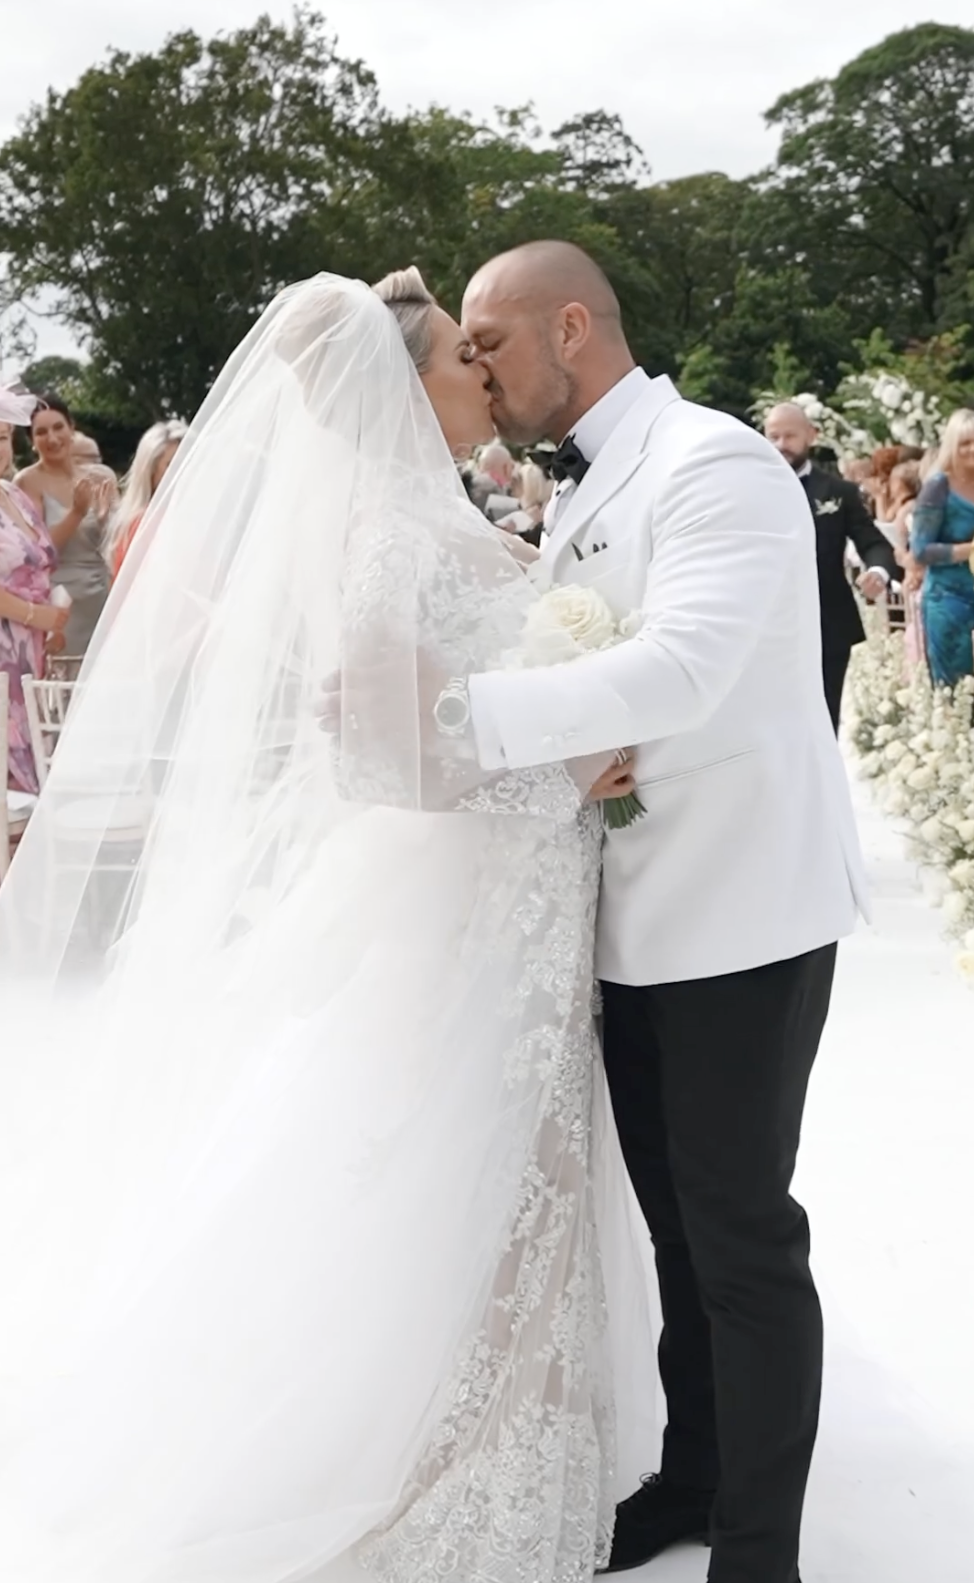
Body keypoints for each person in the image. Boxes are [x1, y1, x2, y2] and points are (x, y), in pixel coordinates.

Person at [0, 272, 651, 1583]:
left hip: (497, 892)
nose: (480, 374)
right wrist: (560, 759)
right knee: (479, 1165)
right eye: (460, 360)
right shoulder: (390, 536)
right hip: (466, 894)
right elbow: (372, 752)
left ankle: (522, 1415)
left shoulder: (420, 511)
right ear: (410, 384)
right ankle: (449, 1449)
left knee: (509, 1167)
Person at [459, 242, 867, 1583]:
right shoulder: (581, 487)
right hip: (631, 920)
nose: (477, 370)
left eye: (491, 342)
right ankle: (691, 1479)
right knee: (675, 1229)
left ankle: (759, 1550)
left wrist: (464, 722)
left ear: (570, 326)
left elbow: (683, 666)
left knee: (742, 1238)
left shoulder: (716, 464)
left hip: (739, 916)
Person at [764, 402, 896, 731]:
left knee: (824, 721)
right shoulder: (745, 488)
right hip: (765, 626)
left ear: (811, 435)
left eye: (790, 436)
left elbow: (875, 543)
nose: (781, 445)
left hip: (828, 623)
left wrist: (877, 572)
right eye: (774, 436)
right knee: (772, 725)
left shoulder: (839, 492)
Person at [0, 392, 70, 791]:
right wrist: (33, 615)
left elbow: (40, 563)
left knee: (38, 765)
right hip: (4, 653)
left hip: (34, 652)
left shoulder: (15, 495)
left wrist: (54, 617)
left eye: (3, 437)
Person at [16, 394, 114, 658]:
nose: (52, 438)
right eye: (41, 432)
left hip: (103, 595)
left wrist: (106, 520)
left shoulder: (102, 477)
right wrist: (77, 513)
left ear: (72, 428)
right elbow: (37, 552)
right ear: (32, 442)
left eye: (59, 427)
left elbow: (119, 545)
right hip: (60, 601)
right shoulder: (26, 483)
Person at [910, 408, 974, 685]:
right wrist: (968, 550)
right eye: (965, 443)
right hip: (948, 601)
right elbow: (921, 550)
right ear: (952, 445)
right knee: (955, 693)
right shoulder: (938, 486)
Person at [104, 418, 186, 579]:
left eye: (188, 461)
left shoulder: (192, 517)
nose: (183, 470)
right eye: (172, 465)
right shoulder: (143, 523)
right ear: (150, 471)